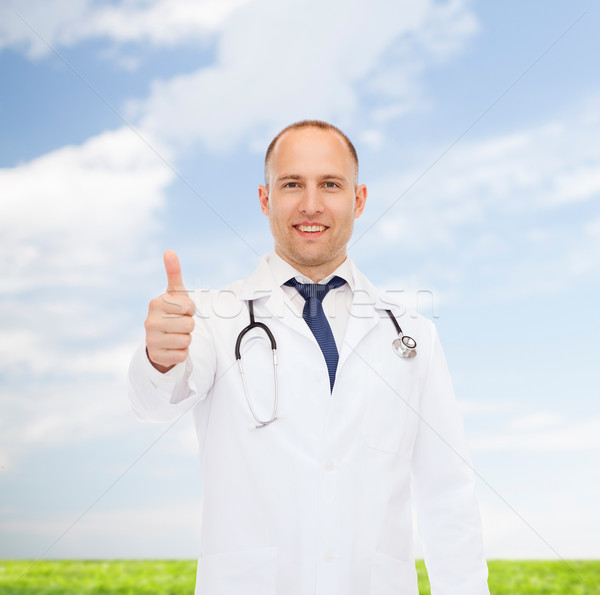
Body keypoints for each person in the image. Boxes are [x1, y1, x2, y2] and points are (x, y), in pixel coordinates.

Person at [128, 120, 490, 594]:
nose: (311, 204)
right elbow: (156, 402)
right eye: (292, 184)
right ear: (265, 199)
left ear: (358, 200)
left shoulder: (412, 336)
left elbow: (448, 498)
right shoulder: (216, 319)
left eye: (331, 185)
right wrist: (160, 357)